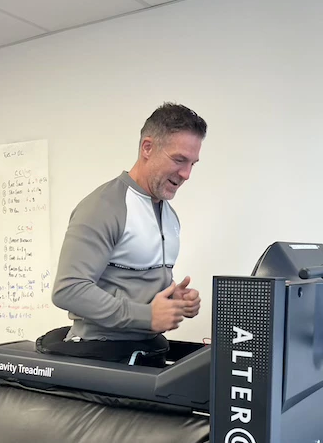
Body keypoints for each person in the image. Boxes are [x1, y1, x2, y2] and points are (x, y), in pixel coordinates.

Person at [38, 102, 207, 363]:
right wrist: (147, 316)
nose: (186, 174)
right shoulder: (103, 207)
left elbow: (133, 286)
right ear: (147, 148)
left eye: (193, 163)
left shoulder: (169, 215)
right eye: (179, 160)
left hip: (147, 350)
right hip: (102, 355)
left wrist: (175, 301)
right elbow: (68, 289)